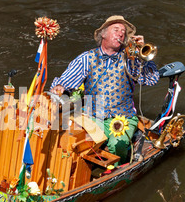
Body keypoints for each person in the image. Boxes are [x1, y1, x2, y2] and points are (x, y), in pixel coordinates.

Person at [50, 15, 160, 164]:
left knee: (117, 145)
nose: (121, 33)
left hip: (123, 116)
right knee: (80, 143)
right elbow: (64, 83)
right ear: (103, 34)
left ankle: (119, 166)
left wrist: (142, 56)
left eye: (123, 31)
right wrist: (60, 88)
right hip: (93, 116)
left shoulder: (130, 59)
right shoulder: (86, 58)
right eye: (116, 29)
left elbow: (151, 79)